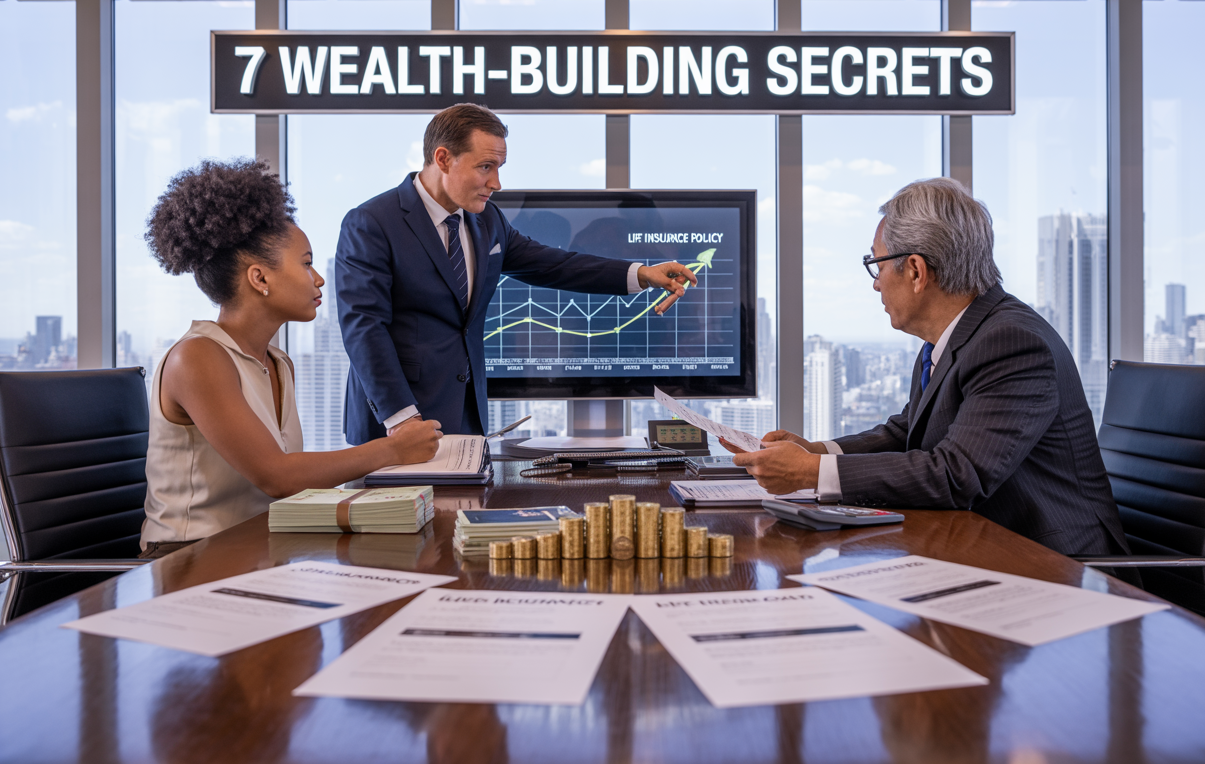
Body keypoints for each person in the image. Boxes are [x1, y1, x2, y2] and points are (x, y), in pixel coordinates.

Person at [727, 177, 1130, 557]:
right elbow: (909, 433)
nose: (875, 283)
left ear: (916, 271)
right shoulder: (956, 336)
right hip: (981, 546)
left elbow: (957, 475)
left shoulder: (1012, 343)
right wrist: (817, 451)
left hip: (1056, 567)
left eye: (877, 265)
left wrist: (812, 472)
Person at [335, 103, 698, 442]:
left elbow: (555, 265)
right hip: (394, 427)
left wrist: (644, 274)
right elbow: (364, 327)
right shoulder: (371, 223)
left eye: (499, 168)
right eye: (485, 167)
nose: (497, 183)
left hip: (464, 419)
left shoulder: (487, 221)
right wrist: (402, 419)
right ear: (443, 159)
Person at [140, 158, 443, 557]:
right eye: (306, 263)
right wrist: (393, 449)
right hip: (188, 559)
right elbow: (277, 477)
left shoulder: (277, 362)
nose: (318, 279)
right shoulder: (197, 357)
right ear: (259, 278)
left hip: (257, 549)